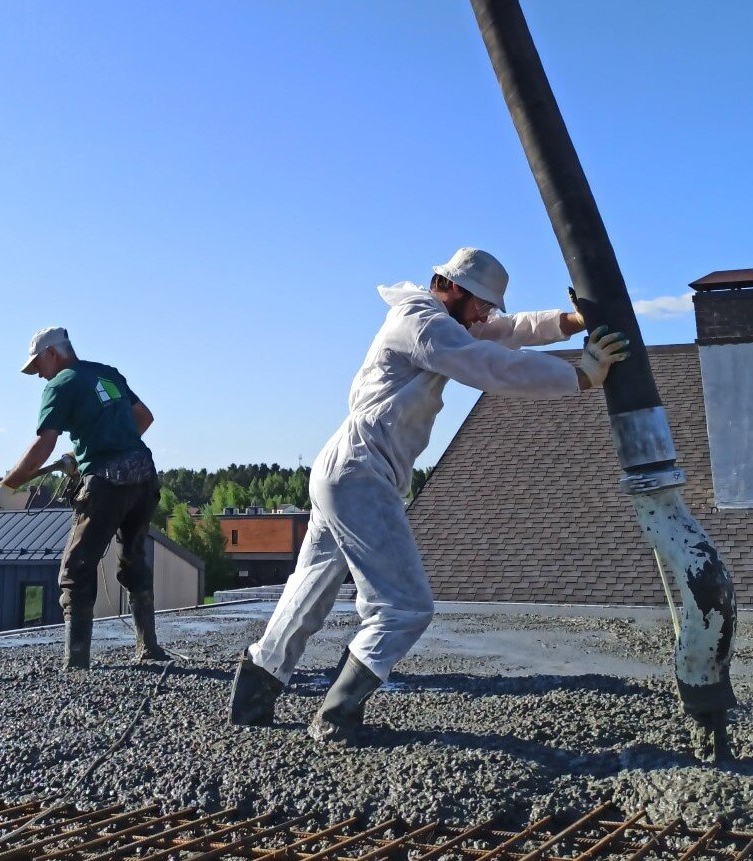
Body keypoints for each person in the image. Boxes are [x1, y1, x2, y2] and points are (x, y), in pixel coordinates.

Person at [227, 247, 629, 742]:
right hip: (361, 472)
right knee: (405, 607)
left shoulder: (441, 320)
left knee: (309, 588)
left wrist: (568, 322)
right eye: (483, 304)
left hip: (344, 469)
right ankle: (336, 716)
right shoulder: (421, 323)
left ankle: (252, 697)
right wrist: (580, 377)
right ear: (456, 289)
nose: (487, 315)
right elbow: (490, 365)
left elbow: (504, 333)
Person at [0, 326, 169, 669]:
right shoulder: (106, 374)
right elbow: (143, 418)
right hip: (143, 477)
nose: (38, 375)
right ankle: (149, 647)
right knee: (133, 559)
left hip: (108, 484)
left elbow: (43, 444)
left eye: (37, 365)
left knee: (76, 568)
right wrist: (100, 449)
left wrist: (7, 487)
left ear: (53, 353)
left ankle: (77, 663)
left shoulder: (61, 384)